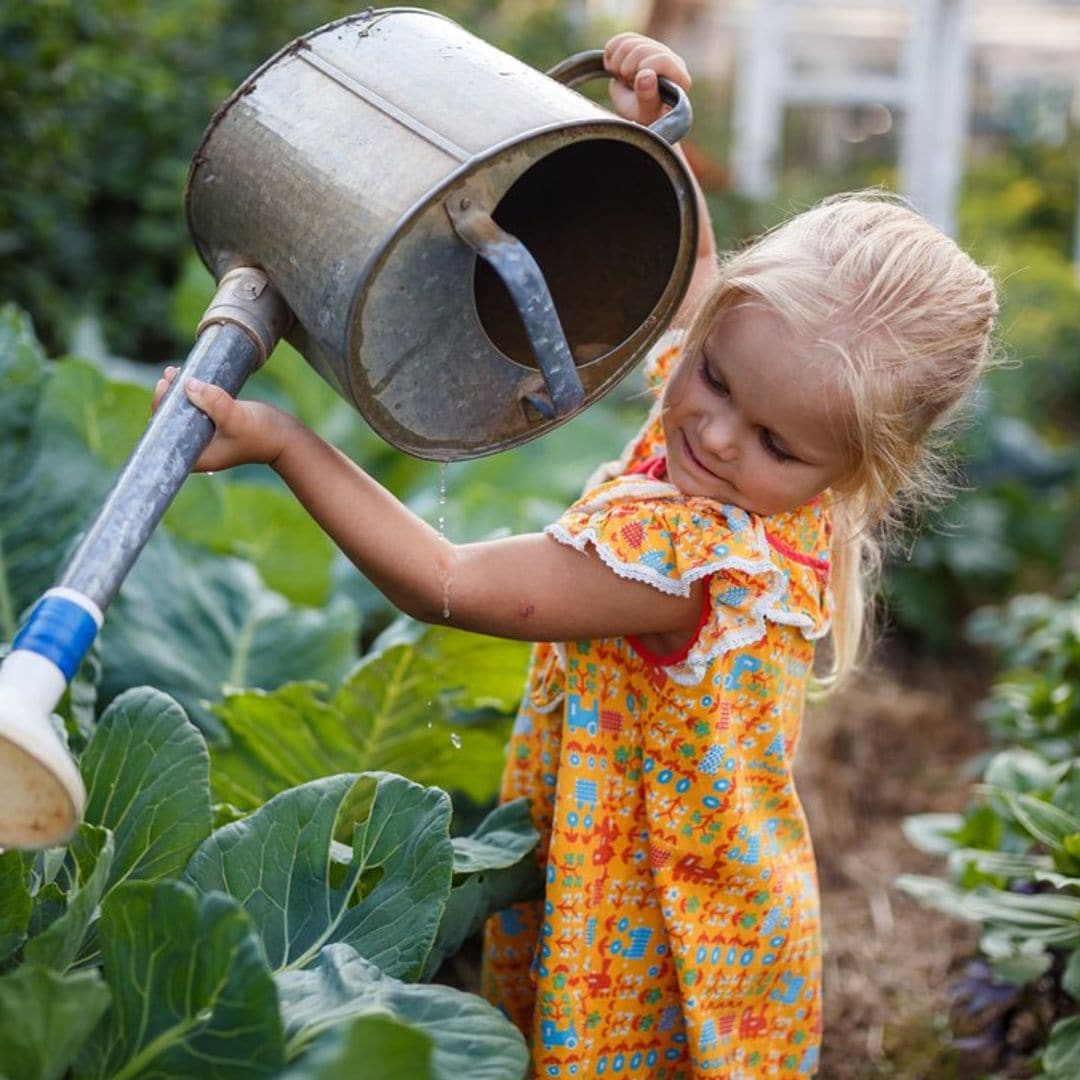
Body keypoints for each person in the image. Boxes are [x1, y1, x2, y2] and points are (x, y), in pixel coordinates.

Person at [155, 31, 998, 1079]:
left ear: (858, 467)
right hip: (734, 908)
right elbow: (694, 294)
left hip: (643, 929)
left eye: (773, 438)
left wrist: (288, 442)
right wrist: (655, 140)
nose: (720, 431)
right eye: (718, 379)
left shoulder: (681, 554)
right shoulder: (784, 487)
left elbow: (449, 583)